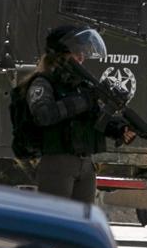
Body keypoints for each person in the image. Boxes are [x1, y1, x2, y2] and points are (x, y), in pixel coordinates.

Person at [23, 25, 136, 203]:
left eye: (83, 53)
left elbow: (93, 120)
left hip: (85, 164)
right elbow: (44, 115)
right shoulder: (43, 82)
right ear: (60, 56)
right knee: (57, 223)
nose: (82, 58)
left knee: (82, 224)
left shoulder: (80, 86)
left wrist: (119, 129)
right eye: (77, 53)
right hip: (57, 163)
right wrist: (86, 99)